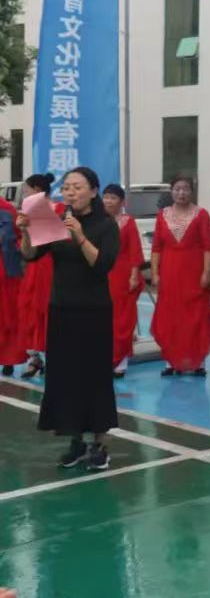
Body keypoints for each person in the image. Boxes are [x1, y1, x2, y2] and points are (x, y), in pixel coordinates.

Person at [16, 167, 119, 470]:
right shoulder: (57, 220)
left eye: (77, 187)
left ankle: (99, 444)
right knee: (66, 378)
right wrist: (26, 231)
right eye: (67, 187)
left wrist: (80, 236)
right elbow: (31, 255)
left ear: (94, 191)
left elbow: (103, 265)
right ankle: (75, 441)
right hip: (62, 309)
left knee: (94, 378)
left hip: (94, 312)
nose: (70, 193)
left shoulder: (106, 225)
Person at [150, 176, 210, 376]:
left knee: (196, 315)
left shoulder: (201, 214)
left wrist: (206, 272)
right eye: (177, 188)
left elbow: (208, 247)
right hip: (169, 273)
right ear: (171, 191)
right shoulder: (162, 215)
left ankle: (199, 362)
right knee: (171, 316)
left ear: (191, 191)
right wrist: (155, 272)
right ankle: (171, 361)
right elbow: (156, 247)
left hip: (194, 272)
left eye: (185, 188)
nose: (181, 193)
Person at [102, 184, 145, 378]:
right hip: (101, 273)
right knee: (102, 318)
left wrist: (134, 274)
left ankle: (120, 362)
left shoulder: (128, 222)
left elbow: (135, 249)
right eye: (106, 197)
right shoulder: (98, 221)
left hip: (122, 275)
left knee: (122, 319)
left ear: (121, 202)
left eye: (113, 198)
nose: (108, 201)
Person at [17, 173, 57, 378]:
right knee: (30, 309)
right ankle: (35, 356)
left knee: (47, 310)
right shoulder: (28, 211)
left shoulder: (58, 209)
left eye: (27, 189)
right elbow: (26, 247)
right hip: (33, 267)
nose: (25, 192)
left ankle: (51, 357)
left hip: (51, 267)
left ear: (38, 190)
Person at [0, 195, 23, 376]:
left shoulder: (8, 210)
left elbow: (21, 236)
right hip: (8, 270)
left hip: (6, 271)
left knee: (8, 316)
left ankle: (9, 359)